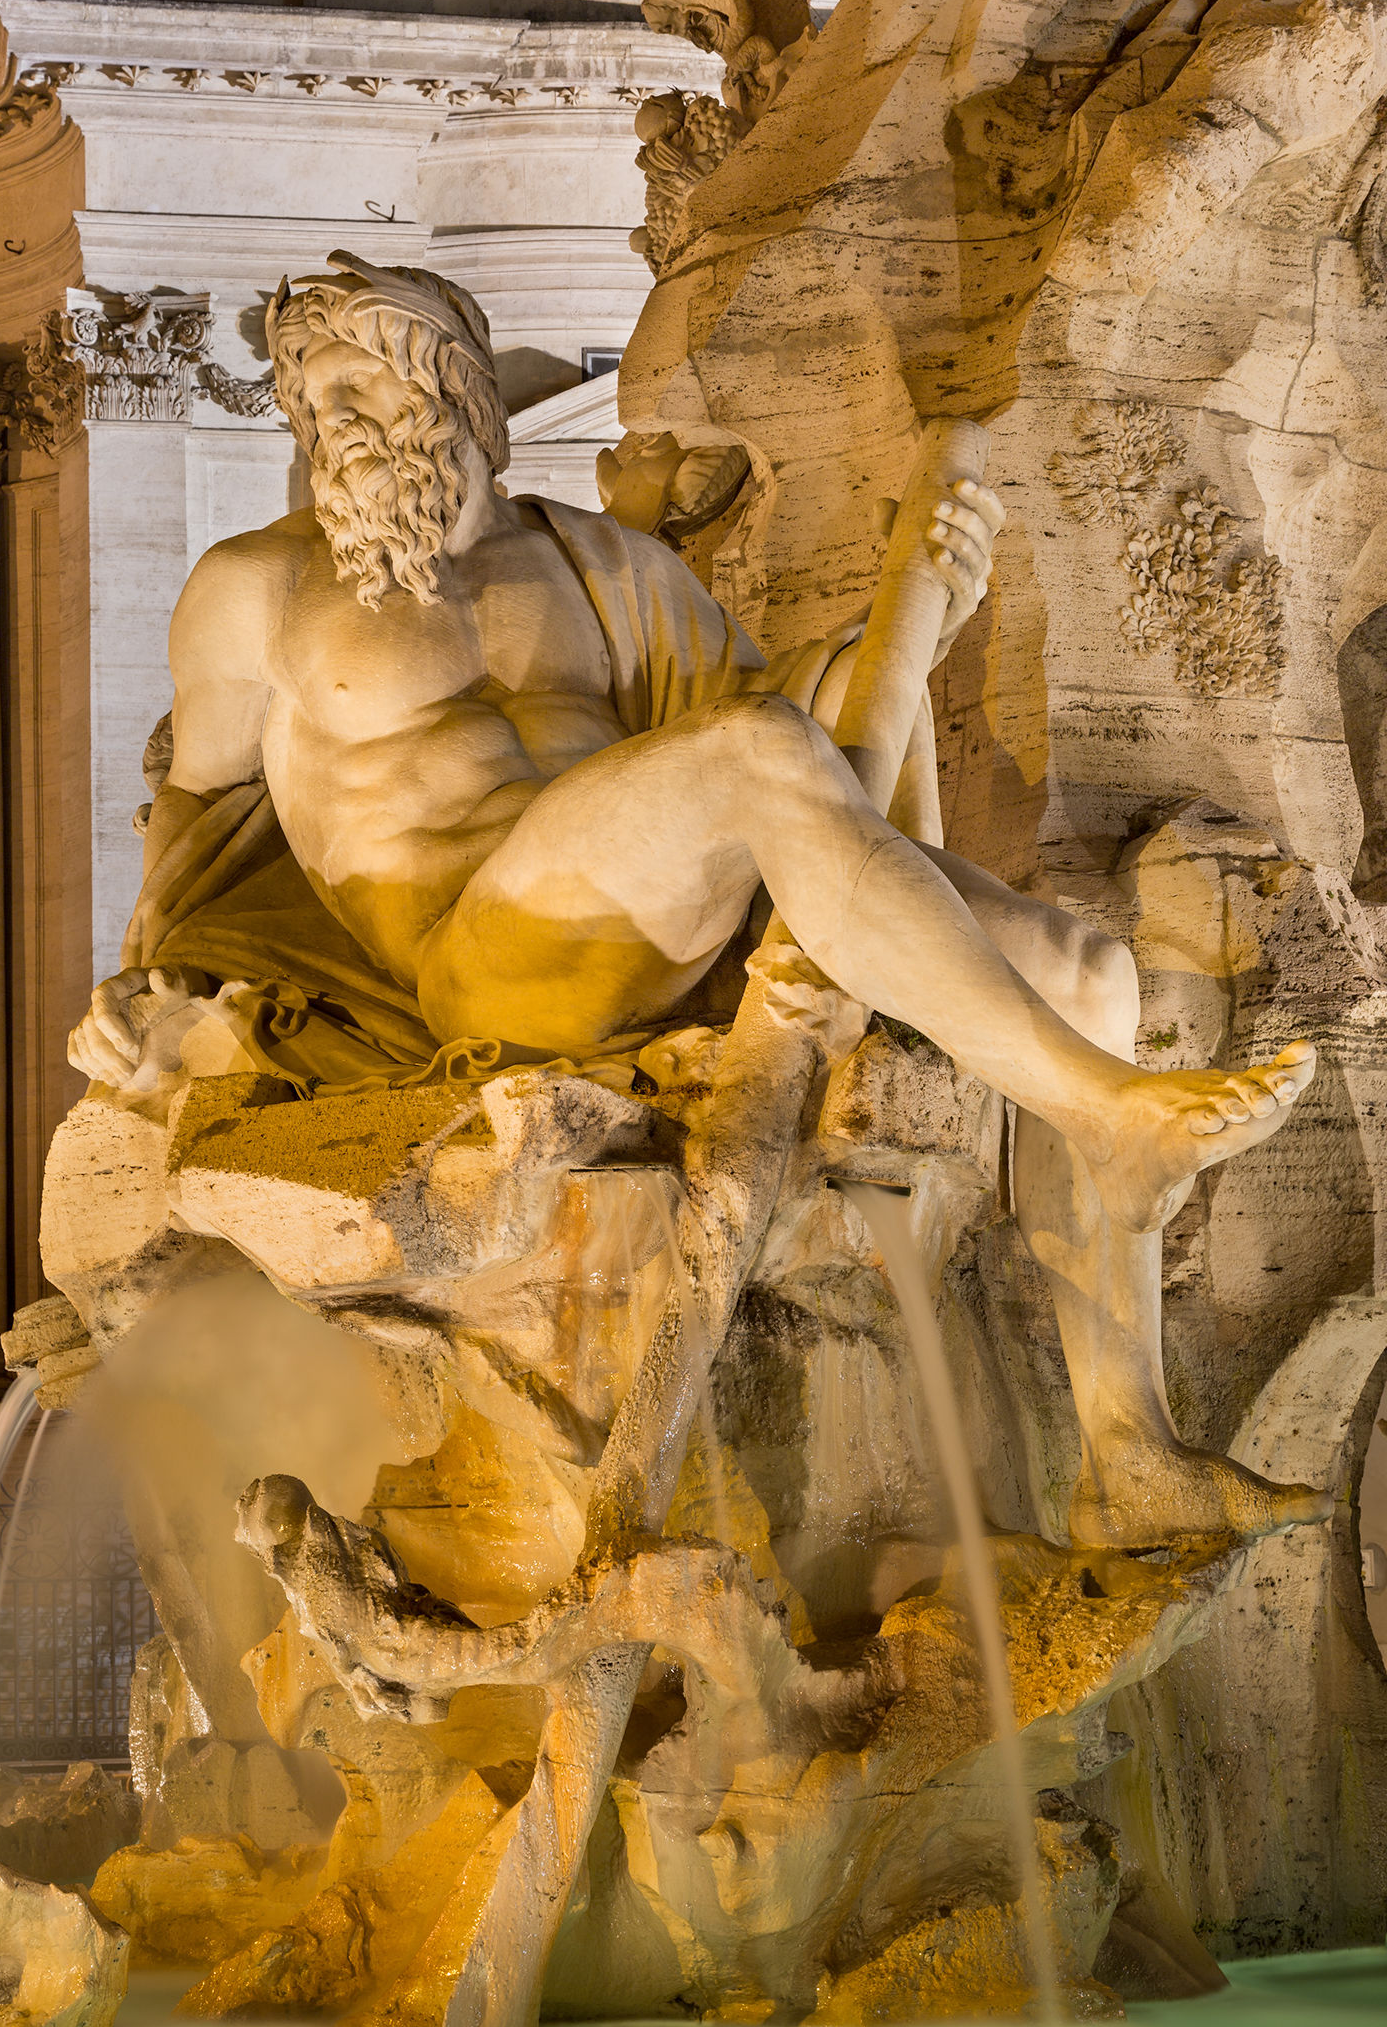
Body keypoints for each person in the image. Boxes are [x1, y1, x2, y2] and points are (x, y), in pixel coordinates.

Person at [70, 251, 1326, 1547]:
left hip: (667, 927)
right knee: (755, 756)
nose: (341, 428)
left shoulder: (601, 565)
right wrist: (147, 991)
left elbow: (806, 739)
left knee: (1087, 974)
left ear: (461, 396)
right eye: (318, 405)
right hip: (474, 965)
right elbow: (203, 822)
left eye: (372, 392)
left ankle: (1128, 1447)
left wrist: (919, 622)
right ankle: (1098, 1109)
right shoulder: (258, 589)